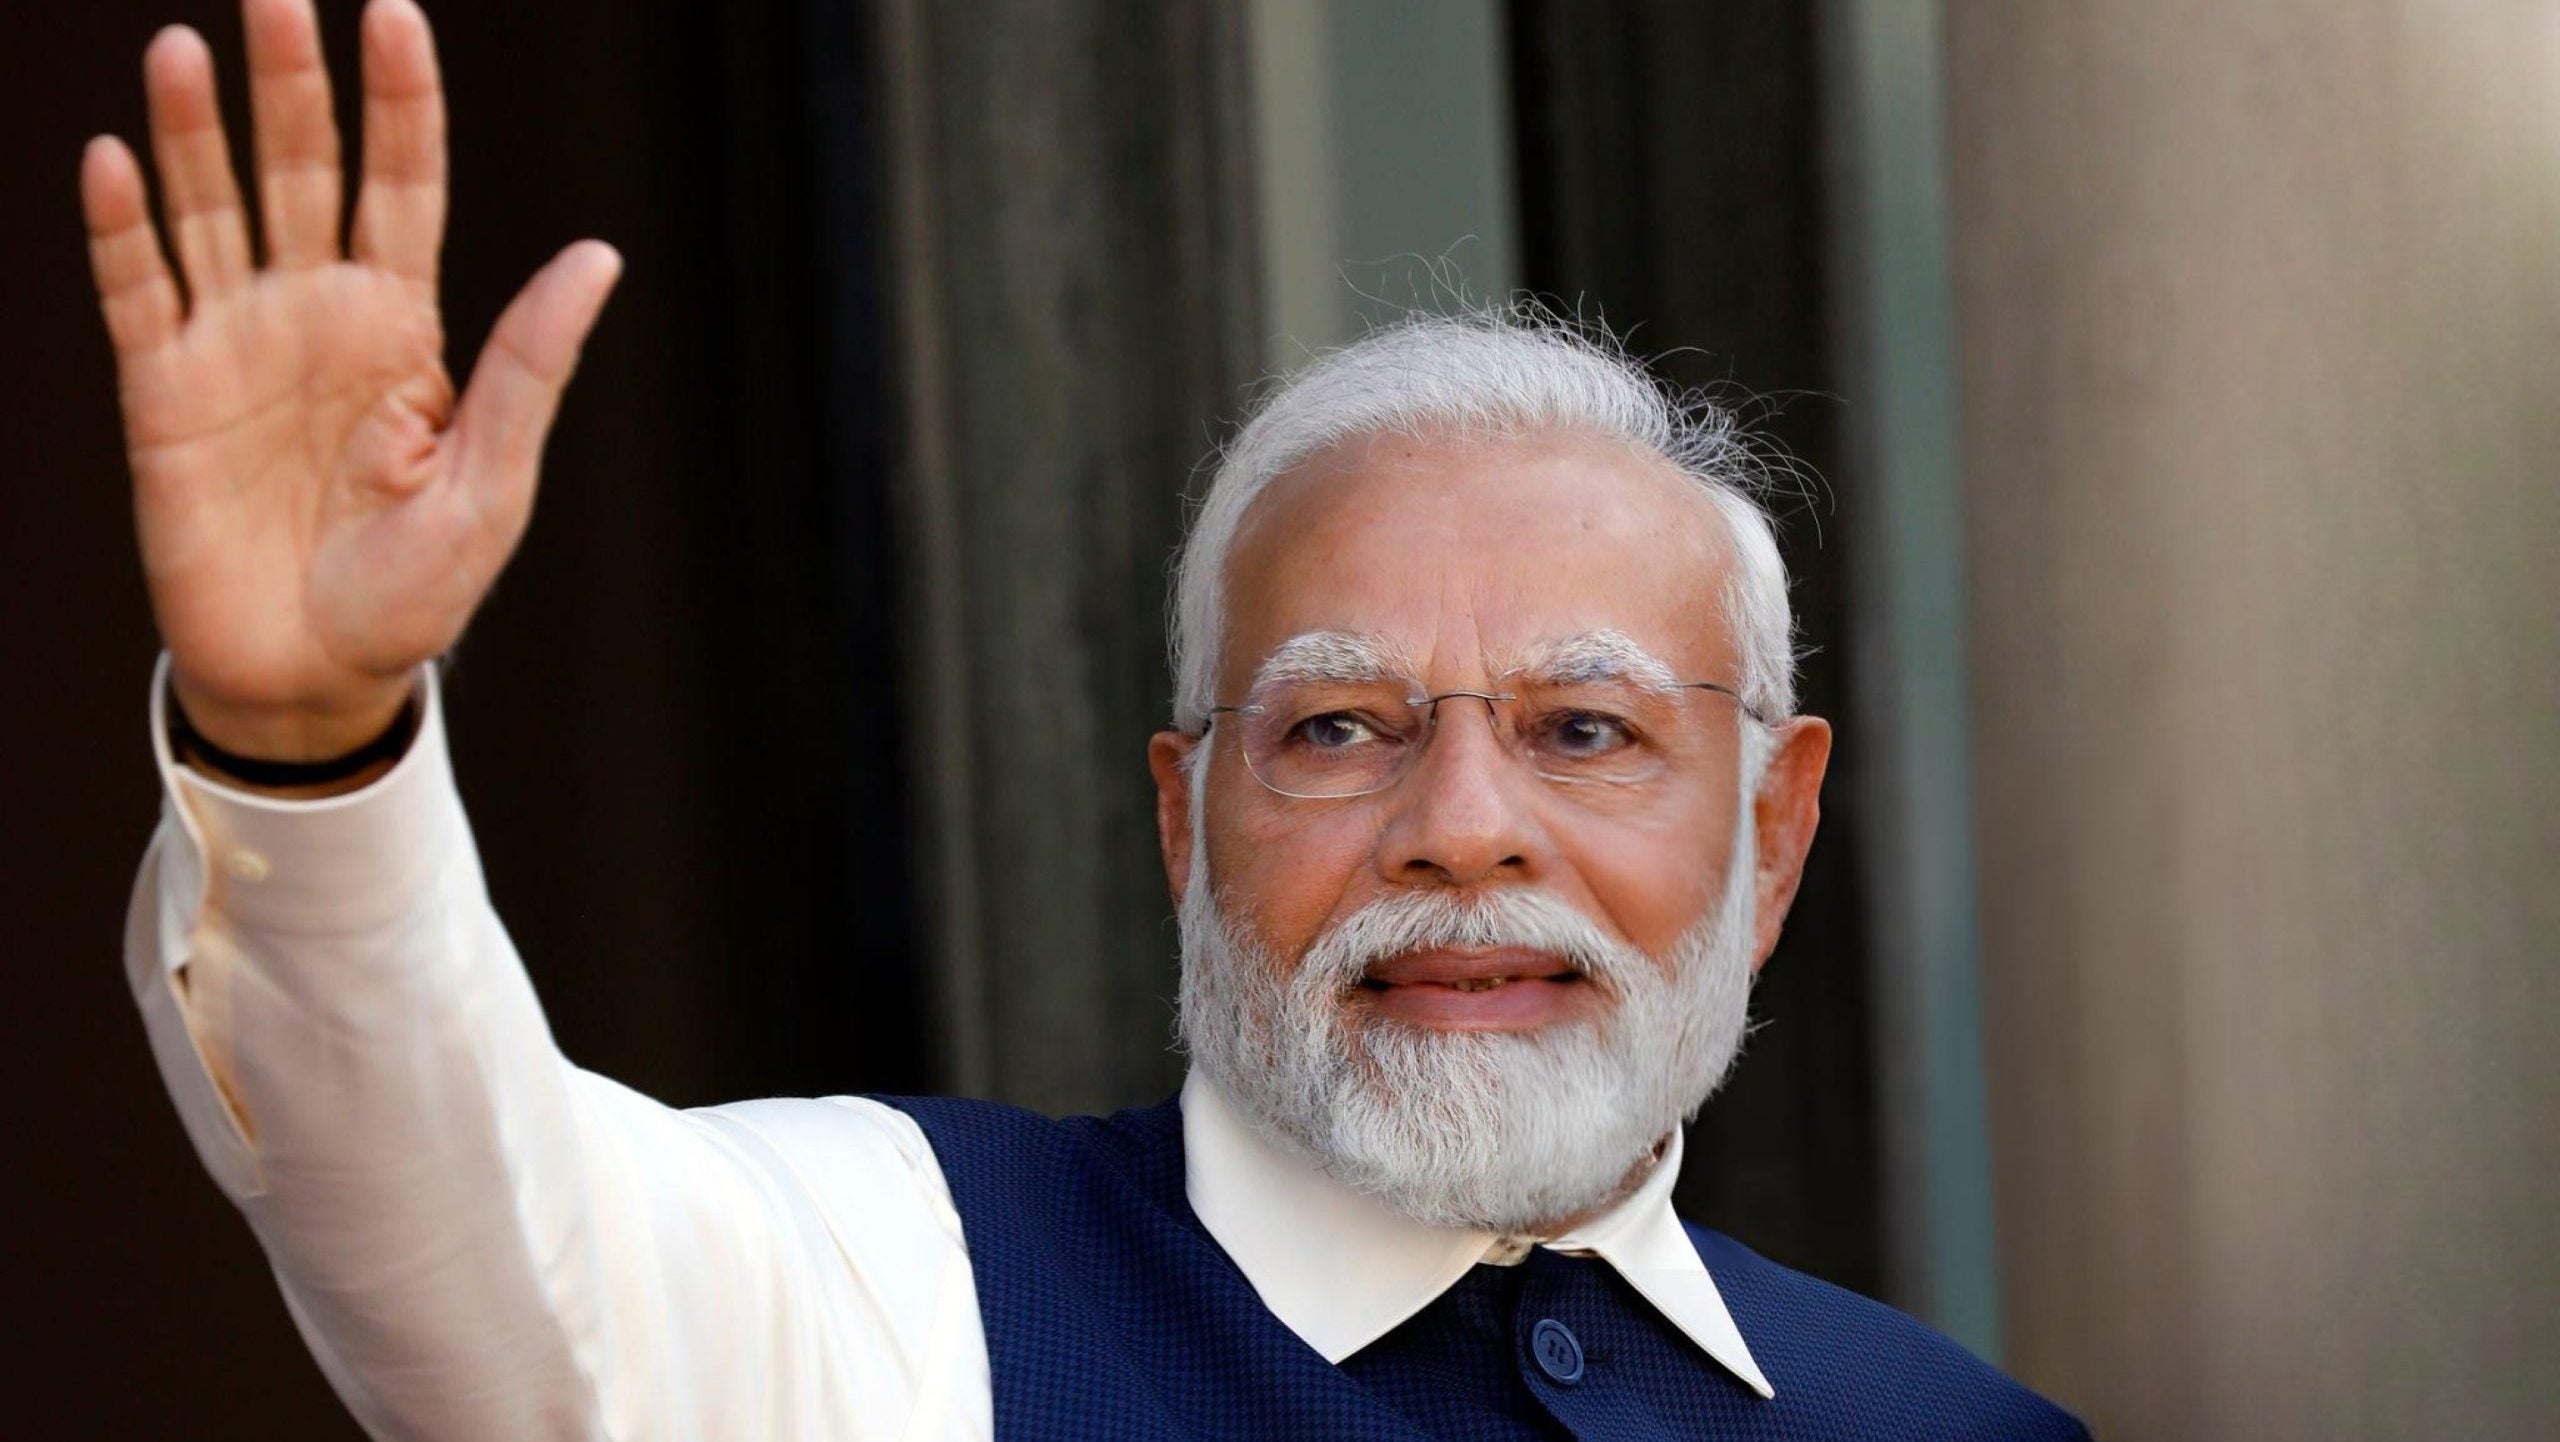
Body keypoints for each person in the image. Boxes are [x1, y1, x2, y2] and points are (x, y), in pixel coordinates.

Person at [87, 1, 2088, 1437]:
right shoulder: (890, 1288)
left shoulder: (1949, 1423)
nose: (1461, 822)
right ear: (1181, 820)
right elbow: (465, 1234)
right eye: (1337, 727)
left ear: (1770, 830)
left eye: (1583, 729)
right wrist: (307, 740)